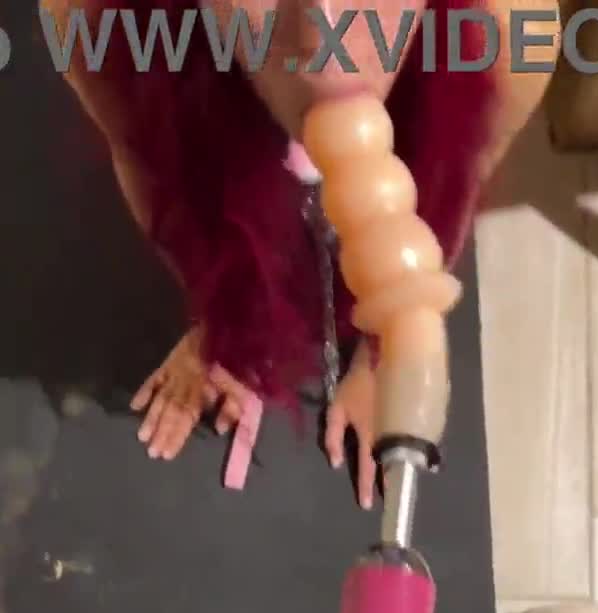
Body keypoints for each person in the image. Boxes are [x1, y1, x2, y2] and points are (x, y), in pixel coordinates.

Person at [41, 0, 557, 505]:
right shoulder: (92, 19)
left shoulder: (510, 36)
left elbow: (454, 190)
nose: (322, 46)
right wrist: (223, 319)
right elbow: (151, 171)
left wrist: (382, 350)